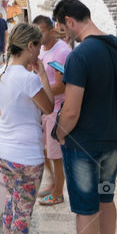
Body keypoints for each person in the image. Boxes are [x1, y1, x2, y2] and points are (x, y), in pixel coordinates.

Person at [53, 0, 117, 234]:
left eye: (63, 28)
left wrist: (60, 133)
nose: (64, 34)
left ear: (70, 21)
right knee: (105, 198)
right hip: (113, 140)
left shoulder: (80, 56)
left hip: (84, 146)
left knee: (85, 208)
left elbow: (71, 111)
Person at [0, 22, 54, 234]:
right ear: (30, 46)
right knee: (23, 213)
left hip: (3, 151)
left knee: (10, 206)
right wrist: (42, 75)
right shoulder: (28, 78)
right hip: (26, 155)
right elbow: (49, 107)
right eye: (38, 45)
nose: (40, 50)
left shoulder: (2, 72)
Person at [33, 15, 71, 206]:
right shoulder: (40, 50)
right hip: (44, 108)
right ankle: (54, 182)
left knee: (55, 154)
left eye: (41, 32)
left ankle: (58, 192)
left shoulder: (62, 52)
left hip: (57, 108)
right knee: (44, 150)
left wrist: (38, 92)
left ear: (50, 30)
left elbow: (63, 85)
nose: (38, 36)